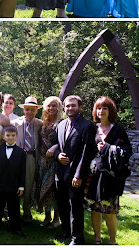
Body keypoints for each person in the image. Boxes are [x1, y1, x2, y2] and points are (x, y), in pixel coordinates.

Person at [52, 95, 97, 245]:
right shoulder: (61, 124)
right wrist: (58, 156)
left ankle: (77, 238)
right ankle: (66, 232)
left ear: (80, 107)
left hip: (75, 174)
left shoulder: (87, 126)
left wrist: (79, 175)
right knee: (62, 204)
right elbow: (55, 145)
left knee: (75, 206)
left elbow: (87, 152)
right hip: (60, 173)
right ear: (64, 108)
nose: (70, 108)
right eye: (67, 106)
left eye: (73, 105)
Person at [87, 97, 131, 245]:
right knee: (95, 209)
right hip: (93, 175)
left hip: (111, 177)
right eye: (99, 108)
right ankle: (97, 239)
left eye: (105, 108)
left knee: (110, 211)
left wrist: (108, 148)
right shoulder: (93, 128)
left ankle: (112, 242)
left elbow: (127, 151)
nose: (101, 111)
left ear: (110, 110)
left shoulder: (118, 130)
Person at [0, 125, 26, 238]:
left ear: (16, 136)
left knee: (14, 207)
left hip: (14, 185)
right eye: (8, 135)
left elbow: (23, 171)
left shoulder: (21, 152)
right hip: (0, 184)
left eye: (13, 135)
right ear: (3, 137)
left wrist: (21, 186)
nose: (10, 137)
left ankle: (15, 228)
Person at [12, 96, 43, 223]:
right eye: (27, 109)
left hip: (31, 157)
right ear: (23, 109)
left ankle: (27, 212)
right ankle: (13, 213)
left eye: (32, 109)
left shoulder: (40, 124)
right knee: (15, 183)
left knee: (29, 185)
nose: (29, 112)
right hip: (17, 157)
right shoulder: (15, 123)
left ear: (36, 111)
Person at [37, 96, 63, 228]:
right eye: (49, 106)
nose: (51, 108)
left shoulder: (62, 123)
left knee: (54, 190)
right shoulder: (43, 123)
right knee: (43, 189)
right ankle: (47, 217)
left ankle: (56, 219)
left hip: (55, 162)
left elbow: (65, 141)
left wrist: (55, 147)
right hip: (42, 161)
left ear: (58, 107)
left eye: (54, 105)